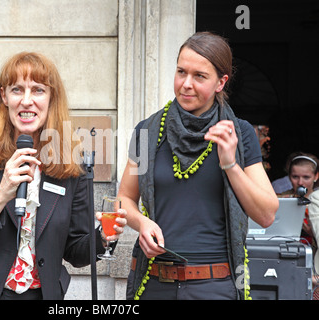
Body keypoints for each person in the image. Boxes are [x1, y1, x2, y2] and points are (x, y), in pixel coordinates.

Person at [0, 52, 127, 300]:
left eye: (37, 90)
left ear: (51, 97)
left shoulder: (69, 165)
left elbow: (75, 250)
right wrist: (1, 195)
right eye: (17, 90)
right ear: (4, 96)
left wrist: (103, 237)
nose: (26, 101)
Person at [119, 32, 278, 300]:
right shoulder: (147, 133)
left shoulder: (239, 134)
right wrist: (141, 222)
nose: (186, 84)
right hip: (155, 284)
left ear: (221, 82)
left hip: (216, 287)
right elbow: (124, 199)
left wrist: (230, 165)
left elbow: (266, 214)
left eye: (199, 76)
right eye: (181, 72)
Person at [277, 152, 318, 297]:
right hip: (285, 261)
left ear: (316, 176)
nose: (300, 182)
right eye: (295, 177)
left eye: (306, 177)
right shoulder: (279, 200)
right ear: (289, 177)